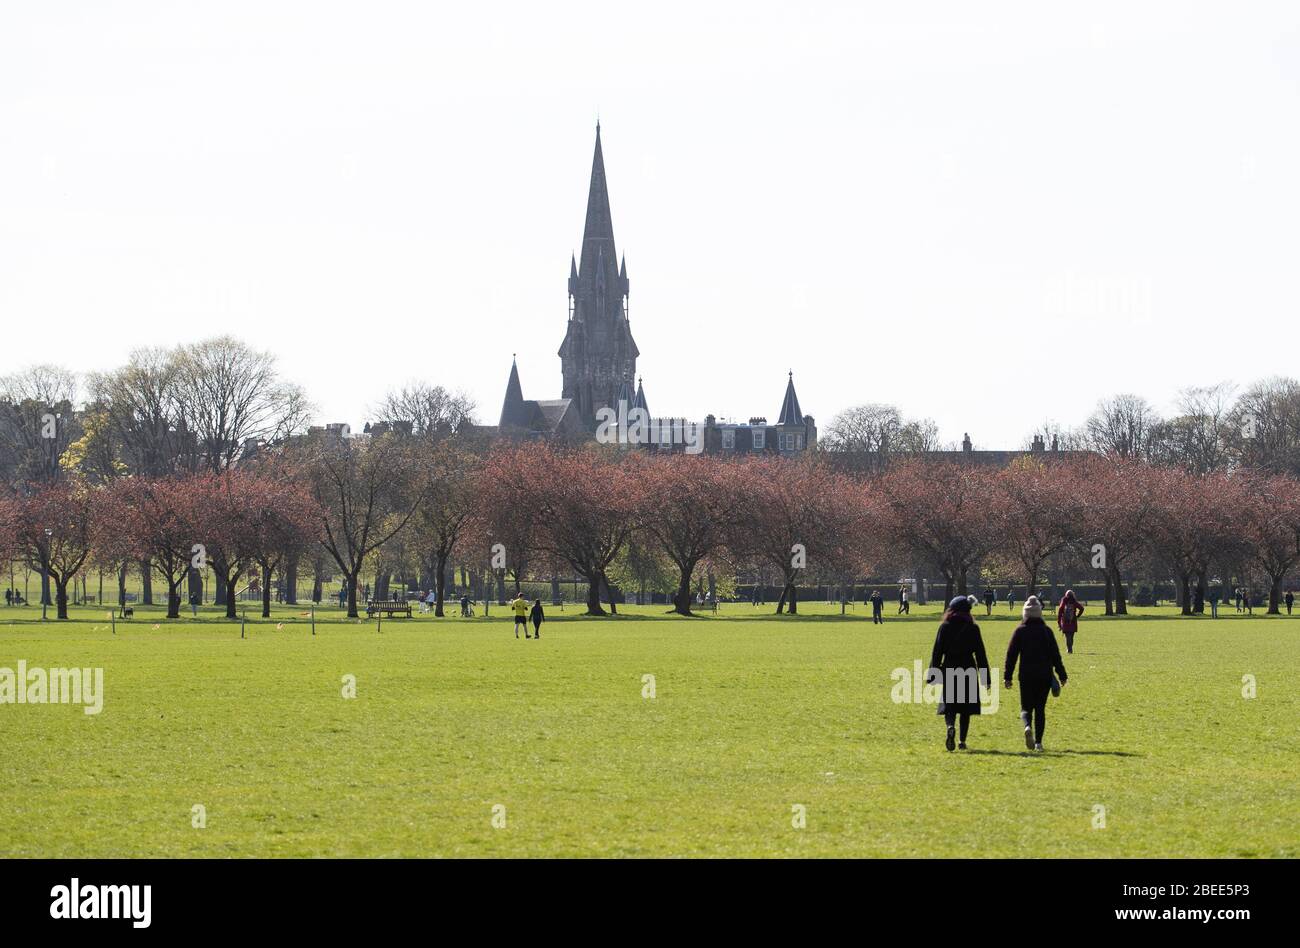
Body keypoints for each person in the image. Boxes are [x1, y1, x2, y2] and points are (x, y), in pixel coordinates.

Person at [1004, 596, 1068, 752]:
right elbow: (1055, 655)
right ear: (1040, 613)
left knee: (1026, 707)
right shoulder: (1046, 631)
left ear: (1025, 614)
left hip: (1026, 675)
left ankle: (1027, 727)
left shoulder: (1020, 631)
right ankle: (1038, 742)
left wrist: (1008, 676)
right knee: (1040, 709)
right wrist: (1062, 674)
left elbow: (1011, 655)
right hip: (1044, 675)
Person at [927, 595, 990, 751]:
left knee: (950, 705)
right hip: (968, 668)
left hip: (949, 668)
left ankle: (950, 726)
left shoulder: (945, 627)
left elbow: (937, 652)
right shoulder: (973, 628)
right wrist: (985, 678)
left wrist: (932, 674)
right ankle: (962, 741)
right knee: (966, 708)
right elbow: (980, 654)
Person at [1057, 589, 1084, 654]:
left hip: (1065, 620)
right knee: (1071, 636)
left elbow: (1060, 610)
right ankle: (1070, 648)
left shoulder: (1064, 600)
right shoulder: (1074, 601)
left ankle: (1069, 649)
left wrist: (1059, 621)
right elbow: (1082, 608)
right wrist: (1077, 616)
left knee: (1067, 636)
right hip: (1073, 620)